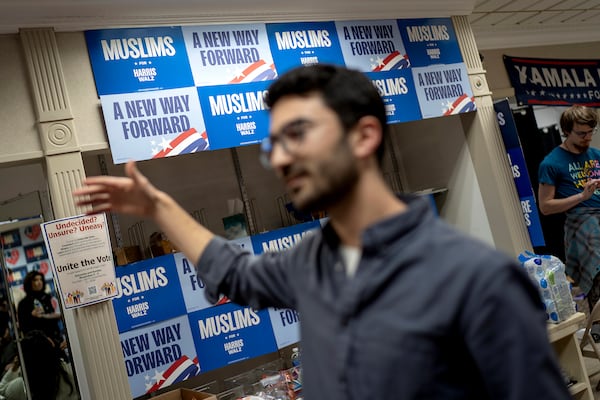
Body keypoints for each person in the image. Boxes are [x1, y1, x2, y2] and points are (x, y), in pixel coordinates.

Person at [74, 64, 570, 399]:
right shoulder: (311, 262)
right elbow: (233, 274)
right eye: (274, 143)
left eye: (298, 134)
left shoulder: (478, 280)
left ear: (364, 135)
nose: (280, 158)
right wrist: (158, 207)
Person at [538, 105, 600, 310]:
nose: (588, 137)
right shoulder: (551, 163)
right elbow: (545, 206)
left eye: (591, 131)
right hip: (582, 222)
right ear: (566, 131)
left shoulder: (596, 155)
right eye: (581, 133)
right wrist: (582, 196)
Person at [0, 330, 78, 400]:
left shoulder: (24, 386)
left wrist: (15, 366)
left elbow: (2, 389)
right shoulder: (72, 372)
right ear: (50, 346)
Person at [16, 271, 63, 348]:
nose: (39, 282)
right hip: (36, 344)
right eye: (35, 280)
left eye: (41, 279)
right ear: (29, 283)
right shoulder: (23, 303)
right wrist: (31, 316)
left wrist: (44, 316)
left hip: (56, 340)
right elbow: (23, 326)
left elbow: (58, 315)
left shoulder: (49, 298)